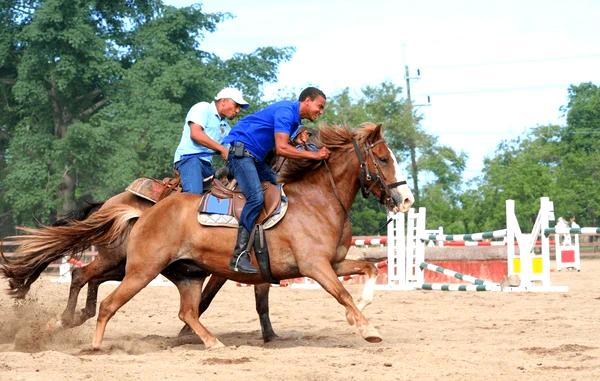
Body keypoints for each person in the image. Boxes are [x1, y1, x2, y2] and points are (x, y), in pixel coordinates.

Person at [223, 87, 331, 273]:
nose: (320, 112)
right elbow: (281, 149)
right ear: (306, 100)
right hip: (242, 155)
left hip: (254, 159)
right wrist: (315, 156)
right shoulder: (286, 112)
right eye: (319, 107)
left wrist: (296, 143)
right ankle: (239, 255)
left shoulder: (294, 119)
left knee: (280, 184)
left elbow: (281, 143)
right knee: (256, 198)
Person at [173, 87, 249, 195]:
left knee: (223, 194)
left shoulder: (226, 127)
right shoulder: (203, 107)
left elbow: (233, 150)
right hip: (188, 159)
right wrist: (222, 149)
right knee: (193, 196)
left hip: (206, 166)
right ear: (223, 101)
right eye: (236, 106)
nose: (238, 110)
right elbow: (196, 134)